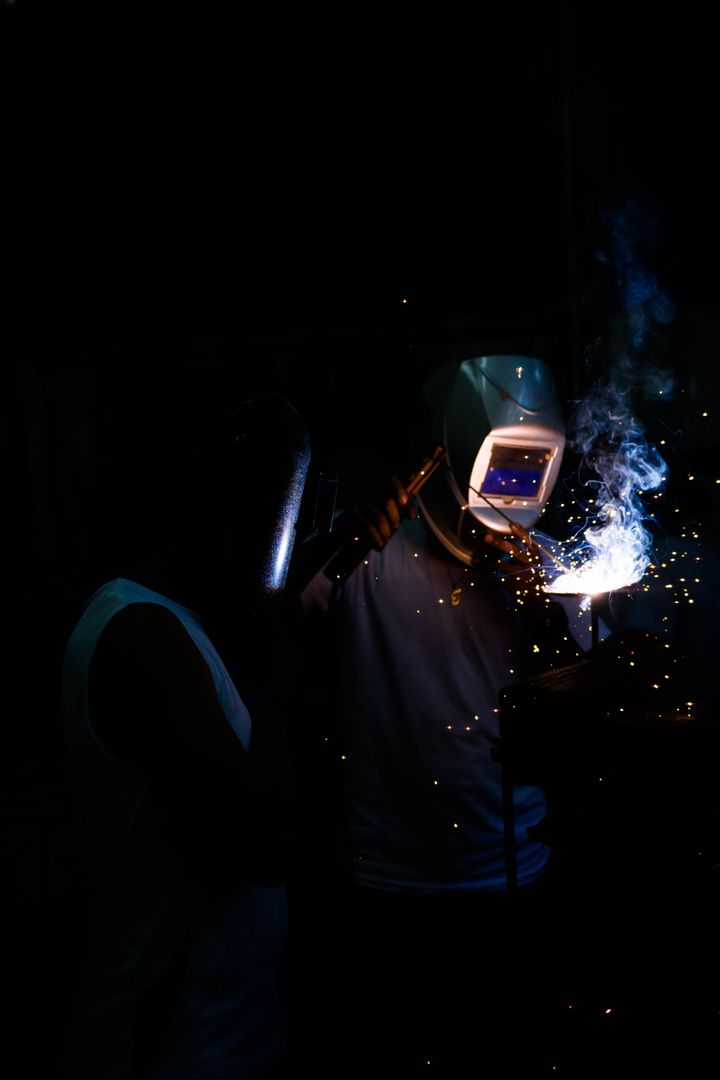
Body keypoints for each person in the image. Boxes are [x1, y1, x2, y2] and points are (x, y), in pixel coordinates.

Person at [284, 353, 585, 1077]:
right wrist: (345, 537)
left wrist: (540, 609)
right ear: (451, 456)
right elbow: (273, 633)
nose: (512, 494)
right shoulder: (368, 561)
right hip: (391, 895)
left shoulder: (555, 573)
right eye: (501, 467)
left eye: (528, 470)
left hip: (516, 883)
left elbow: (580, 723)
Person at [60, 384, 311, 1080]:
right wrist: (280, 689)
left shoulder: (174, 622)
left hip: (219, 1039)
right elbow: (261, 846)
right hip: (178, 1051)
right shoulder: (144, 634)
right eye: (266, 512)